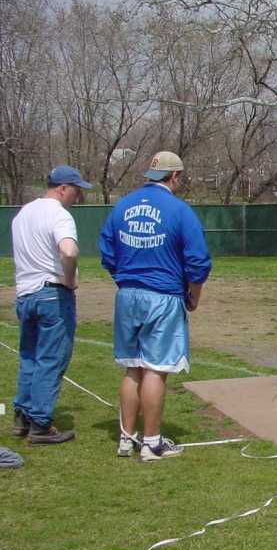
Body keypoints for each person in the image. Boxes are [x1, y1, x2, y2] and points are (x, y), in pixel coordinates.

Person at [99, 151, 211, 461]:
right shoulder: (179, 211)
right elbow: (198, 261)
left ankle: (126, 438)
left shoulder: (123, 206)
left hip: (128, 295)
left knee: (132, 366)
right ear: (175, 177)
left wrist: (124, 279)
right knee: (156, 369)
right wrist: (194, 296)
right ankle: (151, 442)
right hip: (162, 296)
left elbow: (107, 251)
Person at [11, 165, 93, 444]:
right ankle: (40, 423)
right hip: (52, 294)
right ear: (62, 188)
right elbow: (68, 251)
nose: (77, 196)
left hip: (25, 294)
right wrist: (69, 279)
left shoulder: (23, 213)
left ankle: (22, 416)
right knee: (51, 358)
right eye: (76, 190)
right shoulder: (59, 214)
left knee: (29, 357)